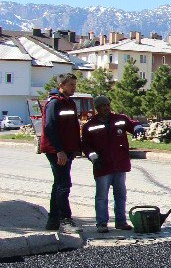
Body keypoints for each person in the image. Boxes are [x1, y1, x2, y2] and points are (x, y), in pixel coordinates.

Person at [82, 96, 138, 233]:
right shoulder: (89, 126)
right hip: (103, 166)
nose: (106, 108)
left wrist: (138, 127)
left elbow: (131, 125)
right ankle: (101, 223)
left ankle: (121, 221)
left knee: (120, 195)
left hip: (119, 164)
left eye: (107, 105)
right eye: (102, 106)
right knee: (102, 196)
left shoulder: (120, 119)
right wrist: (92, 156)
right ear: (97, 108)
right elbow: (85, 145)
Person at [39, 73, 82, 230]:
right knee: (63, 184)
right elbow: (49, 127)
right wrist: (59, 150)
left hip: (67, 150)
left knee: (60, 184)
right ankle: (64, 220)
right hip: (56, 151)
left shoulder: (70, 103)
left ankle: (53, 221)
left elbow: (72, 128)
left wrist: (75, 148)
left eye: (74, 84)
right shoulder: (54, 103)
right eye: (70, 84)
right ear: (61, 85)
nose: (73, 87)